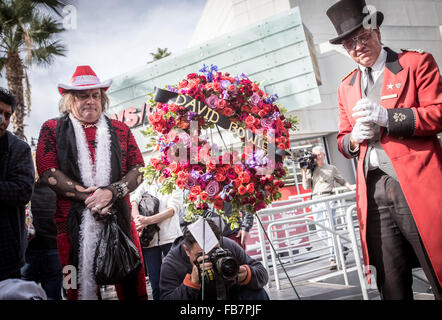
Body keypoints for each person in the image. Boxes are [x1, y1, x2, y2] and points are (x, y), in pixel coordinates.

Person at [327, 0, 442, 299]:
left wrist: (389, 117)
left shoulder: (415, 63)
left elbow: (439, 112)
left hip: (414, 182)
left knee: (438, 264)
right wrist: (353, 139)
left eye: (362, 37)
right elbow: (342, 141)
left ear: (376, 30)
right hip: (373, 191)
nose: (357, 46)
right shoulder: (345, 86)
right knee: (390, 278)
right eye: (349, 43)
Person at [35, 65, 147, 300]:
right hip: (68, 229)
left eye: (95, 95)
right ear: (69, 100)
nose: (90, 101)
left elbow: (138, 170)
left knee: (134, 284)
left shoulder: (121, 129)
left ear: (102, 99)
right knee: (72, 284)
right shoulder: (51, 128)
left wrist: (112, 192)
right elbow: (48, 172)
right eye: (82, 96)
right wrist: (90, 198)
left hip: (122, 223)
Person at [159, 219, 269, 300]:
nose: (209, 259)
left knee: (257, 293)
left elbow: (262, 273)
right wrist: (191, 284)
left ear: (219, 241)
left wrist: (247, 274)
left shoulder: (227, 244)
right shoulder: (172, 263)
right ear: (187, 250)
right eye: (201, 255)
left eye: (214, 251)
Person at [0, 87, 35, 282]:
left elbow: (22, 191)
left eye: (7, 115)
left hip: (6, 254)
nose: (3, 120)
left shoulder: (18, 149)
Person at [301, 145, 354, 270]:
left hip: (328, 199)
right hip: (315, 200)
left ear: (324, 155)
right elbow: (305, 186)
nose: (318, 157)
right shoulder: (311, 169)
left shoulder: (331, 168)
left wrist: (352, 189)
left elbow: (342, 181)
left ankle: (333, 258)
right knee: (320, 232)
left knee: (330, 228)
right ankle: (341, 248)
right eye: (315, 155)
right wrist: (303, 172)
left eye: (320, 154)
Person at [130, 178, 183, 300]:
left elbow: (171, 211)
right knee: (155, 282)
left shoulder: (174, 183)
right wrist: (138, 219)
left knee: (175, 278)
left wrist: (146, 221)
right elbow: (133, 201)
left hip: (170, 238)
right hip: (149, 240)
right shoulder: (147, 182)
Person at [21, 155, 62, 300]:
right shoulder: (56, 191)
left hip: (28, 253)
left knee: (25, 295)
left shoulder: (24, 191)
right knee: (54, 294)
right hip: (54, 249)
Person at [179, 198, 254, 251]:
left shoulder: (227, 178)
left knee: (238, 269)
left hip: (232, 234)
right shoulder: (192, 181)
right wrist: (192, 241)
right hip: (205, 241)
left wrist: (246, 226)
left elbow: (245, 199)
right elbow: (184, 217)